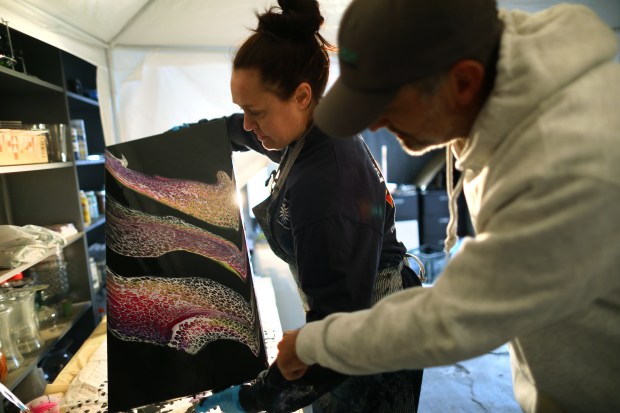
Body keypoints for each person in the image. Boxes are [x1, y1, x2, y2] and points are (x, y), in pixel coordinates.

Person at [275, 0, 620, 412]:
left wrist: (315, 343)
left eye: (387, 105)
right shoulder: (498, 66)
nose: (376, 124)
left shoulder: (565, 163)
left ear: (463, 83)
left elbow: (453, 319)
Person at [194, 0, 424, 412]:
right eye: (240, 110)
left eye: (255, 111)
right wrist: (206, 135)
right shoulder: (313, 129)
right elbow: (249, 132)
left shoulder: (326, 184)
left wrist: (254, 398)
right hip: (352, 317)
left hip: (370, 349)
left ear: (302, 96)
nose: (248, 124)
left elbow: (335, 336)